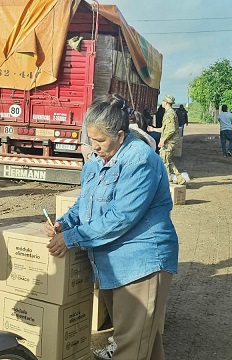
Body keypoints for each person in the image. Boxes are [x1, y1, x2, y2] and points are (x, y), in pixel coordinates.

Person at [44, 93, 178, 360]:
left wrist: (71, 238)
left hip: (141, 263)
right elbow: (85, 201)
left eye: (100, 140)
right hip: (110, 264)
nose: (94, 146)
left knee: (129, 347)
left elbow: (121, 216)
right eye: (91, 139)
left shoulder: (140, 160)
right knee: (143, 343)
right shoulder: (95, 160)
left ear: (119, 134)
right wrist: (64, 223)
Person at [158, 95, 186, 185]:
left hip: (169, 142)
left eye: (163, 101)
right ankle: (179, 178)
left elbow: (171, 129)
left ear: (166, 103)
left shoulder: (169, 114)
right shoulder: (169, 113)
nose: (162, 102)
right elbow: (165, 128)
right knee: (167, 160)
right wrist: (153, 129)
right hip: (170, 141)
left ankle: (167, 180)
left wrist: (163, 140)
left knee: (164, 160)